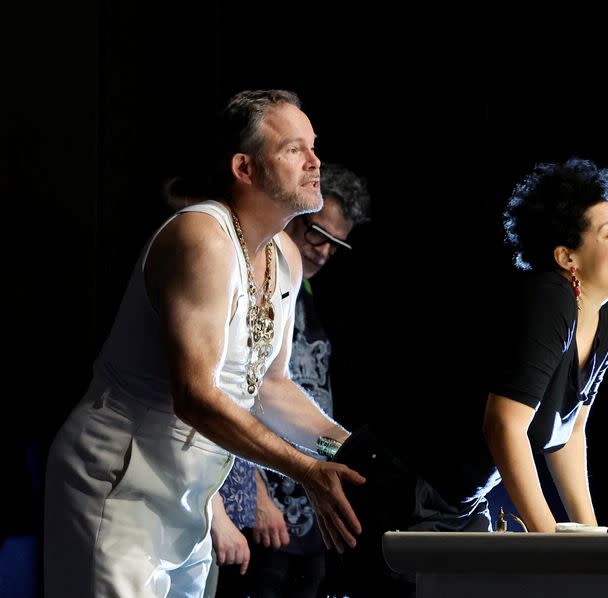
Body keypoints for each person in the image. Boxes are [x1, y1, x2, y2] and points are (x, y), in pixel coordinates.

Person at [43, 89, 365, 598]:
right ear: (246, 168)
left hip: (189, 494)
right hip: (118, 482)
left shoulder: (285, 253)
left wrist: (348, 452)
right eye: (293, 149)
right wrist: (306, 469)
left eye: (314, 146)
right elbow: (194, 396)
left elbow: (269, 388)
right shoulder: (202, 237)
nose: (314, 161)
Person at [210, 163, 371, 597]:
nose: (323, 251)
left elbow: (276, 388)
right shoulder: (237, 266)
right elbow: (223, 392)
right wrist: (255, 493)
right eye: (318, 234)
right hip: (255, 499)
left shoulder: (301, 286)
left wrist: (348, 449)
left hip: (306, 498)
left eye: (337, 245)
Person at [483, 156, 608, 532]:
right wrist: (548, 540)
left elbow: (570, 433)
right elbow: (503, 425)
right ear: (567, 257)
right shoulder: (550, 297)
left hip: (462, 502)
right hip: (405, 487)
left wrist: (592, 536)